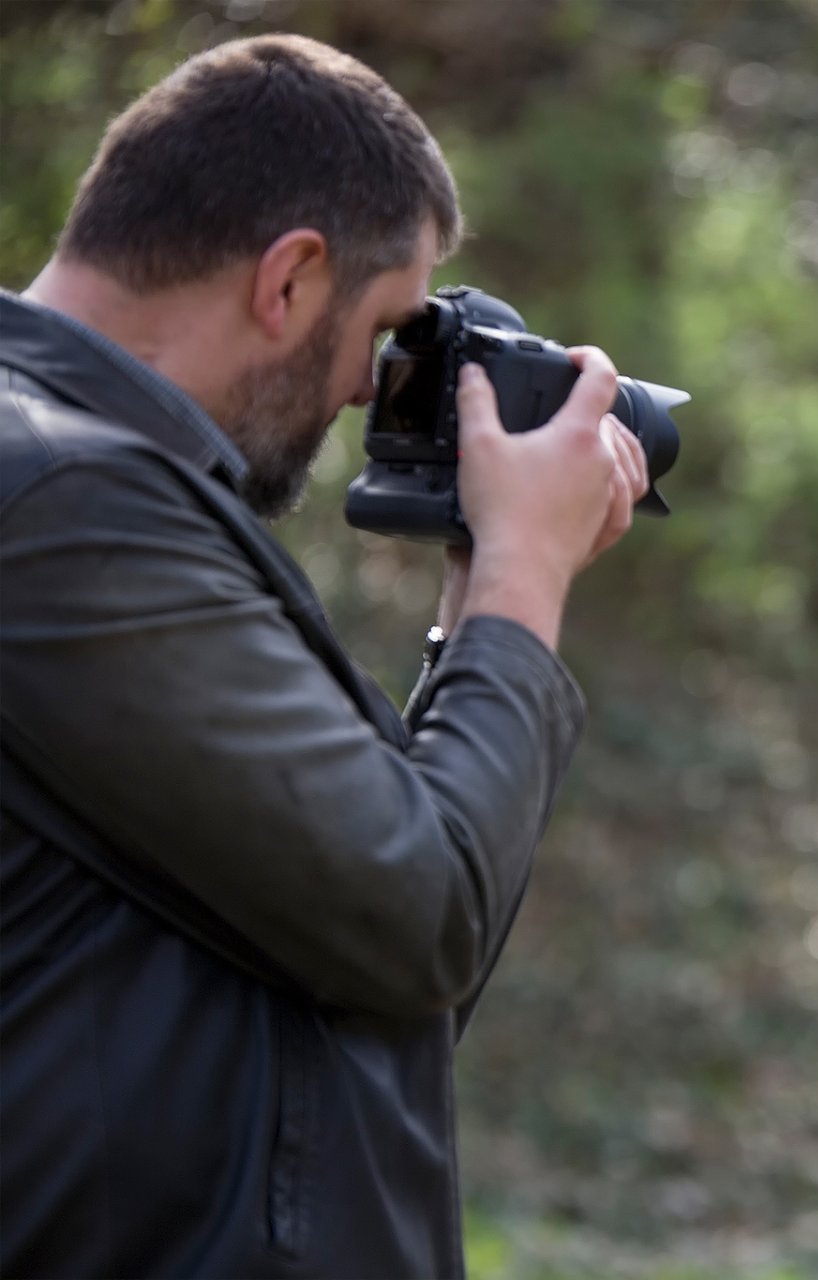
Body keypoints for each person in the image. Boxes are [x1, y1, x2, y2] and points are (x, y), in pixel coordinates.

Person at [0, 35, 649, 1277]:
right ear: (290, 278)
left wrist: (477, 598)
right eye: (388, 327)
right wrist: (525, 572)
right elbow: (419, 914)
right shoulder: (62, 501)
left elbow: (371, 951)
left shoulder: (80, 481)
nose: (374, 387)